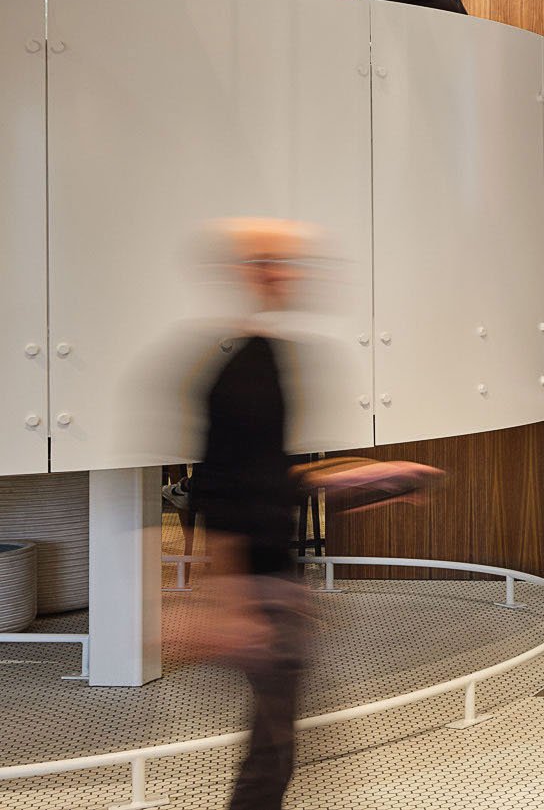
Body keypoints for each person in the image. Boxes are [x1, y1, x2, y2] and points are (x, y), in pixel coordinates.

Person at [191, 219, 317, 810]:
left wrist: (363, 476)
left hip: (276, 583)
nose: (285, 273)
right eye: (270, 261)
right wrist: (231, 603)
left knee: (276, 744)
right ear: (248, 272)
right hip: (258, 587)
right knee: (271, 751)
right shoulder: (241, 369)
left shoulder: (270, 355)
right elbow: (219, 490)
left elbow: (267, 475)